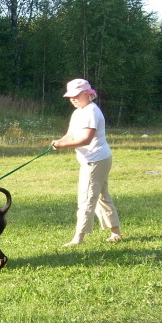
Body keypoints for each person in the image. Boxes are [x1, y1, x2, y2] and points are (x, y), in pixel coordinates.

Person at [51, 79, 121, 247]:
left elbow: (86, 139)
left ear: (87, 94)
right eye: (70, 97)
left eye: (76, 95)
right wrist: (59, 141)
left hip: (95, 160)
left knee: (87, 198)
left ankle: (78, 238)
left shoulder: (91, 112)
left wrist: (62, 145)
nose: (73, 99)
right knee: (101, 197)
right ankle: (116, 233)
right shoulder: (79, 112)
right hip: (94, 159)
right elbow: (70, 134)